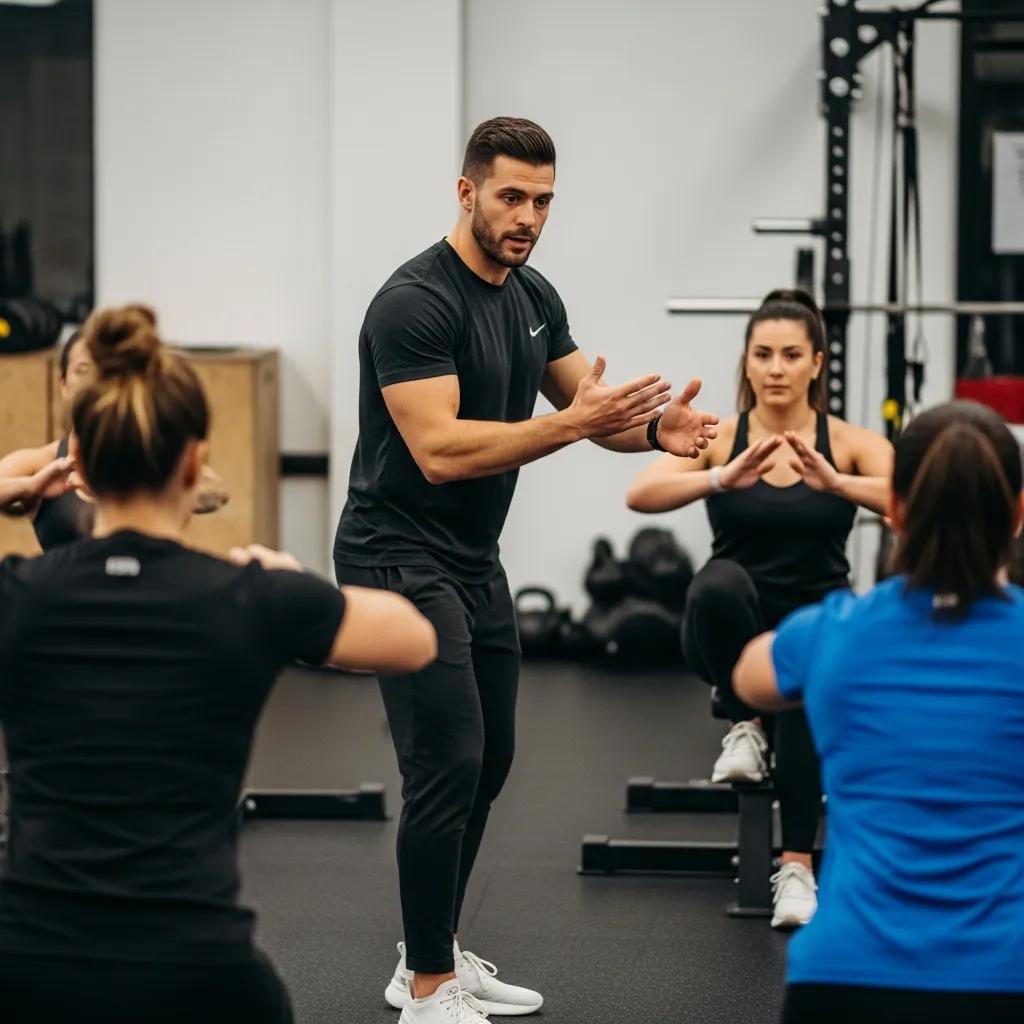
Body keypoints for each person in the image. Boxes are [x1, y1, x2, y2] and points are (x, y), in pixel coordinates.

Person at [333, 116, 718, 1023]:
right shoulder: (412, 303)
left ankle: (430, 952)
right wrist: (576, 428)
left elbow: (590, 408)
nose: (529, 217)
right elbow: (438, 449)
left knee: (491, 758)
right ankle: (426, 987)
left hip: (470, 557)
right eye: (511, 197)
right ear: (466, 193)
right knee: (448, 759)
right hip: (393, 551)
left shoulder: (531, 292)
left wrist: (656, 430)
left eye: (543, 201)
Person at [0, 304, 438, 1024]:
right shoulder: (246, 597)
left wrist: (13, 491)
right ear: (194, 462)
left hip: (27, 970)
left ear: (77, 465)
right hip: (195, 973)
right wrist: (281, 574)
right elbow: (413, 639)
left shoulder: (17, 598)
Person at [734, 400, 1024, 1023]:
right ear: (1018, 514)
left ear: (892, 509)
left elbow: (749, 678)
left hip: (843, 980)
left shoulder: (834, 633)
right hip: (1005, 978)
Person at [626, 289, 893, 928]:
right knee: (717, 582)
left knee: (806, 656)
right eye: (763, 354)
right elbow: (641, 492)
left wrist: (836, 482)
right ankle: (742, 719)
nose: (776, 368)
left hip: (814, 625)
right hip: (727, 631)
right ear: (747, 363)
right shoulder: (724, 438)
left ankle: (797, 866)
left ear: (817, 364)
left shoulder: (849, 442)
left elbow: (913, 498)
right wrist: (720, 477)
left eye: (791, 355)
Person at [0, 329, 228, 548]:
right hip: (65, 584)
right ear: (63, 383)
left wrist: (113, 485)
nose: (93, 382)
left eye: (104, 372)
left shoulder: (144, 457)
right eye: (83, 370)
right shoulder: (43, 463)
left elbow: (216, 491)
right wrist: (29, 488)